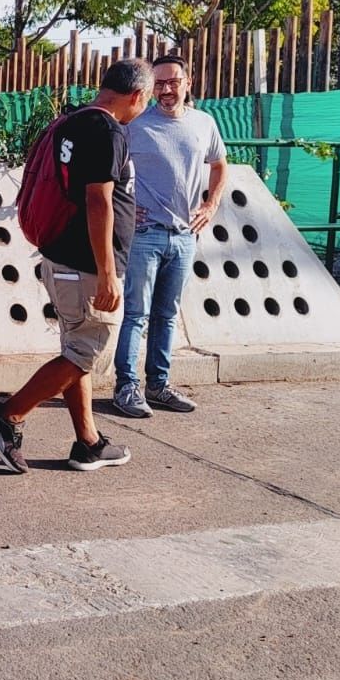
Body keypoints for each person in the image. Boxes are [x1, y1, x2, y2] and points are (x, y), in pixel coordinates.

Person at [0, 57, 152, 473]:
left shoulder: (72, 121)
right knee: (85, 352)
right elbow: (97, 200)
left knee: (77, 350)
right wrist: (108, 272)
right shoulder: (108, 130)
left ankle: (87, 442)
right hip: (86, 267)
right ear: (138, 95)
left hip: (61, 258)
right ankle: (7, 416)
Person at [111, 54, 228, 418]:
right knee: (136, 314)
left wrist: (210, 205)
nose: (165, 90)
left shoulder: (203, 124)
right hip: (143, 234)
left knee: (167, 314)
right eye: (158, 83)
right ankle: (126, 387)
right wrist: (126, 207)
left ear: (187, 83)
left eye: (172, 82)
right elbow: (109, 167)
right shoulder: (135, 123)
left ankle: (158, 385)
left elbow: (220, 164)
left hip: (183, 236)